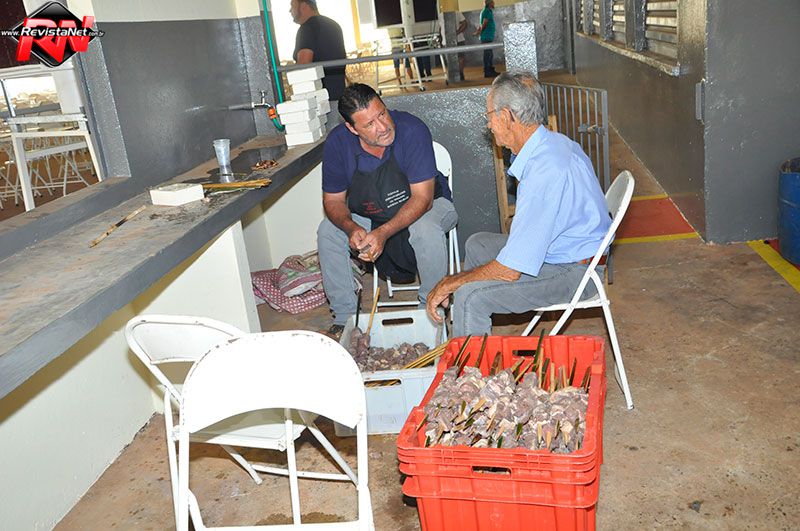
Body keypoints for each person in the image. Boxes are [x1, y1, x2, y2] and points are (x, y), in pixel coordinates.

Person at [425, 72, 611, 337]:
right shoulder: (553, 142)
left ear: (506, 117)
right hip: (564, 251)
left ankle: (469, 361)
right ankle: (474, 335)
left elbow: (510, 269)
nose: (489, 124)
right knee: (477, 244)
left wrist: (451, 283)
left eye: (489, 115)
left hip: (576, 272)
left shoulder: (543, 170)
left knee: (470, 297)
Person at [317, 84, 458, 337]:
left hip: (431, 206)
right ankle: (346, 318)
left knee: (424, 228)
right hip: (373, 215)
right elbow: (333, 201)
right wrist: (351, 228)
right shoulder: (338, 143)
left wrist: (382, 233)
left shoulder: (412, 129)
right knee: (329, 231)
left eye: (381, 114)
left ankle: (430, 312)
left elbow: (423, 199)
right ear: (352, 129)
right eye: (369, 124)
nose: (382, 127)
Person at [291, 0, 347, 100]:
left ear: (304, 5)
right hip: (339, 95)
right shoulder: (334, 25)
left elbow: (303, 67)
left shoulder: (306, 28)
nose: (290, 10)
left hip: (319, 99)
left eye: (292, 5)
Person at [474, 0, 498, 78]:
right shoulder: (486, 11)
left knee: (489, 54)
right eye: (492, 2)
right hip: (486, 36)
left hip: (487, 36)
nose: (494, 3)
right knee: (488, 54)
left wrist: (478, 31)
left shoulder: (487, 11)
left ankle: (490, 70)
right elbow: (484, 24)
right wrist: (479, 32)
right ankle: (488, 71)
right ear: (489, 3)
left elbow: (482, 24)